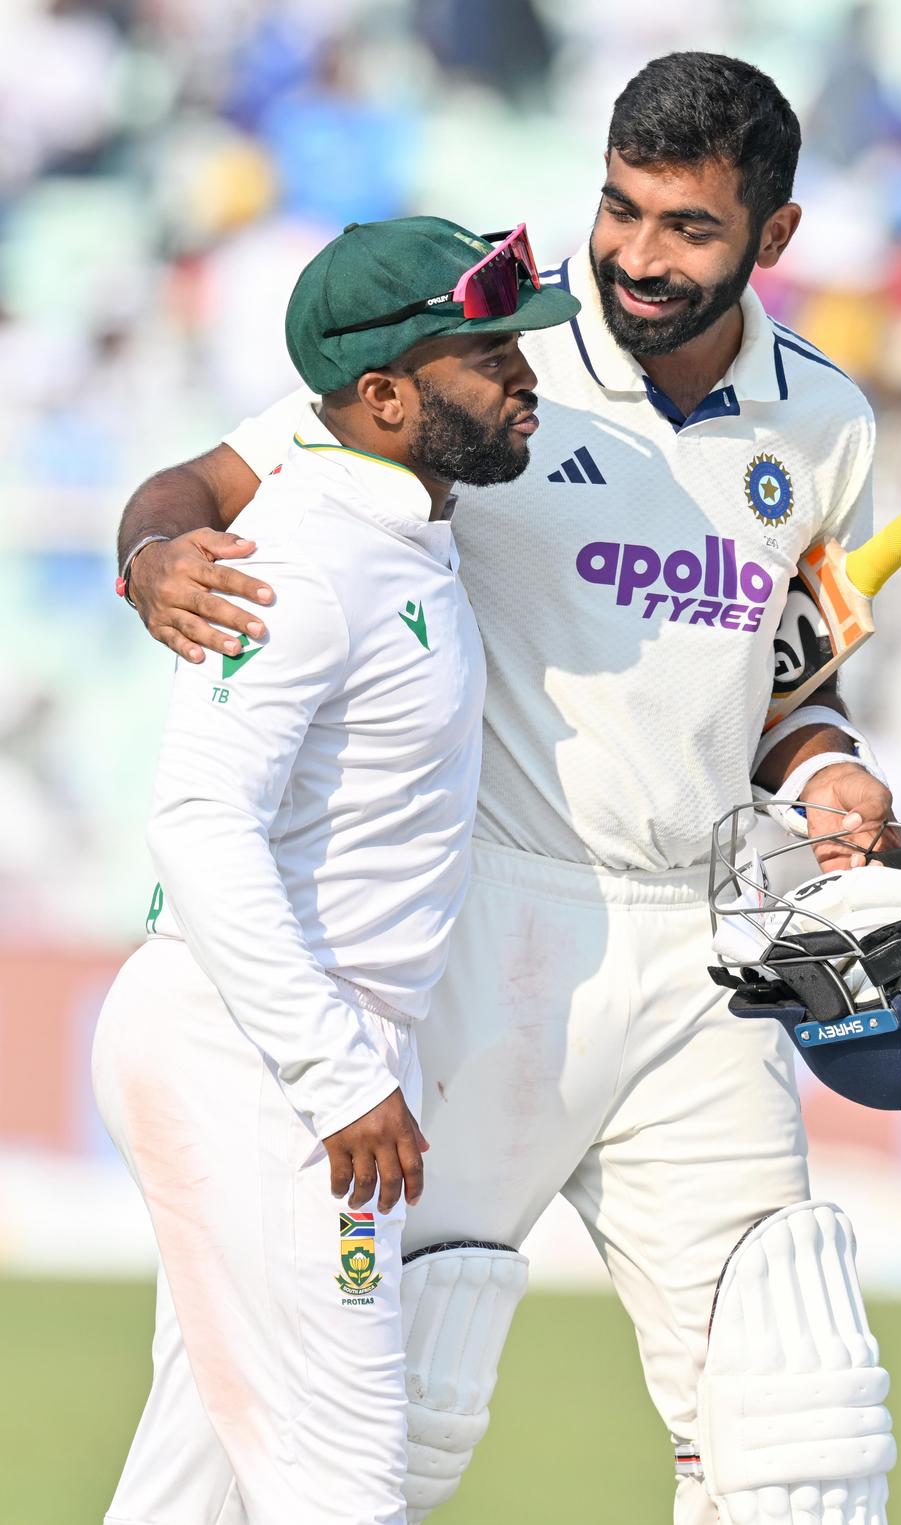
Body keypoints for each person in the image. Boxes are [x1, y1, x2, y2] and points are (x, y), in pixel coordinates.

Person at [117, 53, 899, 1525]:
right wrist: (150, 551)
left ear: (773, 240)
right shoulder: (493, 367)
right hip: (487, 924)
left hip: (700, 948)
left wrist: (833, 763)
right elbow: (203, 486)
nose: (638, 257)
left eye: (688, 229)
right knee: (357, 1419)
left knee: (802, 1425)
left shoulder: (827, 426)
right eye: (621, 209)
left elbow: (786, 677)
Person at [93, 215, 579, 1525]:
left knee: (191, 1491)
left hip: (275, 1040)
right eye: (490, 354)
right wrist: (339, 1072)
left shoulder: (393, 500)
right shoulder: (312, 553)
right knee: (348, 1487)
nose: (528, 373)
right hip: (265, 1051)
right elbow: (197, 820)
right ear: (382, 397)